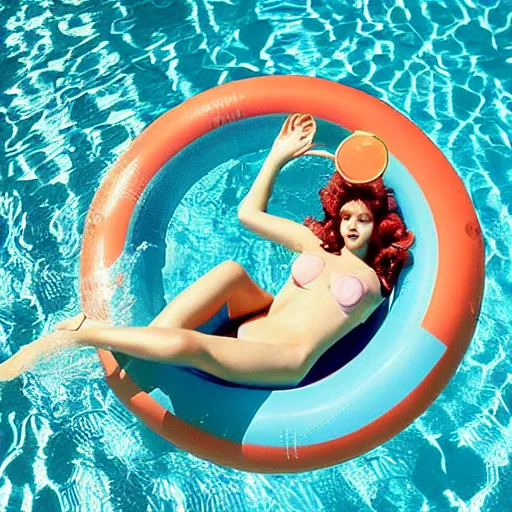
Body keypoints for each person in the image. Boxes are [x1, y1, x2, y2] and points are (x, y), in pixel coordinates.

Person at [0, 114, 414, 387]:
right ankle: (142, 347)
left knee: (189, 346)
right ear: (335, 219)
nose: (352, 225)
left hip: (284, 357)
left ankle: (81, 335)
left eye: (362, 219)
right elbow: (248, 214)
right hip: (261, 317)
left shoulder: (376, 284)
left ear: (379, 225)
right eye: (346, 217)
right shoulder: (315, 244)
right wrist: (277, 156)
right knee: (232, 269)